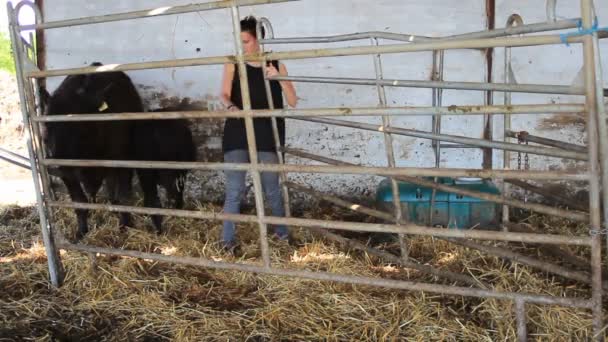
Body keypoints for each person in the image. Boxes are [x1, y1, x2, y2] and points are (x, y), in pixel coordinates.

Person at [219, 16, 298, 251]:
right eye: (239, 41)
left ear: (258, 39)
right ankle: (226, 241)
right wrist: (232, 108)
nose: (242, 46)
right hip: (238, 130)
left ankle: (282, 236)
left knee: (272, 188)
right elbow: (223, 94)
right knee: (235, 189)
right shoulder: (232, 62)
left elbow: (293, 101)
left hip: (267, 132)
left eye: (246, 41)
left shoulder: (275, 64)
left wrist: (279, 78)